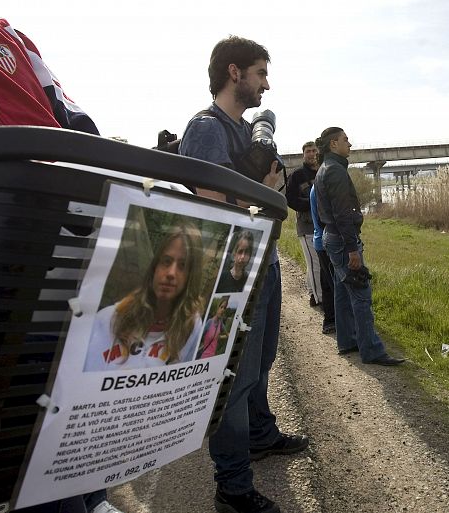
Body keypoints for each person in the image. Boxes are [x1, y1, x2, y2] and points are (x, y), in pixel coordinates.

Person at [0, 2, 122, 512]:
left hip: (59, 249)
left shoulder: (3, 31)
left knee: (76, 389)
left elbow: (74, 118)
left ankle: (93, 493)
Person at [178, 35, 308, 513]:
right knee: (233, 377)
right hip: (231, 274)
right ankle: (232, 487)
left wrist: (277, 186)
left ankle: (260, 434)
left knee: (263, 359)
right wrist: (265, 189)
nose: (266, 86)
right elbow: (213, 205)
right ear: (234, 73)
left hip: (265, 262)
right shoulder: (206, 128)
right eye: (260, 74)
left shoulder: (247, 131)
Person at [313, 127, 405, 366]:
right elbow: (343, 214)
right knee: (361, 295)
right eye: (345, 140)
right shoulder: (334, 171)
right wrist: (353, 249)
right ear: (333, 144)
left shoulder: (325, 168)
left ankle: (347, 341)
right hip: (343, 241)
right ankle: (372, 350)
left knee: (343, 292)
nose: (350, 144)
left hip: (331, 237)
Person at [84, 223, 205, 371]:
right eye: (166, 261)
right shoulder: (107, 320)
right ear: (155, 267)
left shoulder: (190, 326)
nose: (171, 273)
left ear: (191, 276)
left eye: (182, 265)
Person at [285, 141, 323, 307]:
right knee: (315, 264)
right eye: (308, 151)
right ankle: (320, 299)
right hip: (306, 225)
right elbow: (290, 200)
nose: (312, 154)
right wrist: (312, 203)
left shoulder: (323, 171)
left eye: (314, 150)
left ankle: (312, 293)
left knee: (316, 263)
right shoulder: (297, 175)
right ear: (303, 154)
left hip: (324, 225)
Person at [309, 185, 336, 334]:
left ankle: (330, 320)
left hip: (320, 241)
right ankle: (336, 321)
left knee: (326, 283)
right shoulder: (321, 187)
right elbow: (322, 219)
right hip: (327, 242)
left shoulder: (316, 186)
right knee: (334, 285)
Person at [216, 229, 254, 293]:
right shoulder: (222, 277)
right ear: (234, 254)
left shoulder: (248, 280)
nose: (242, 257)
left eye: (247, 252)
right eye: (240, 252)